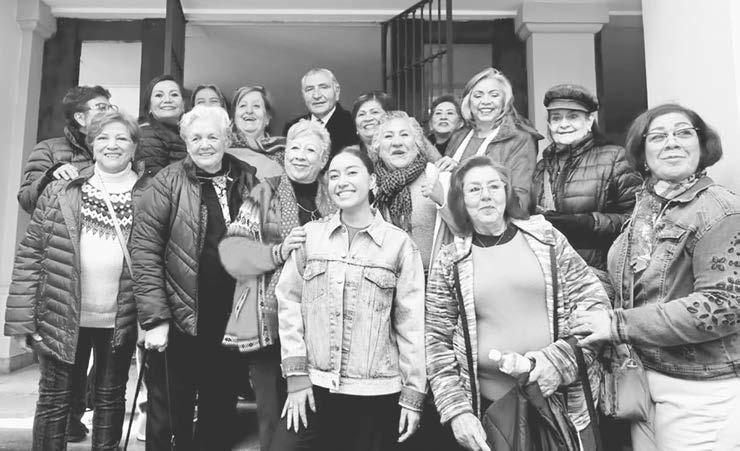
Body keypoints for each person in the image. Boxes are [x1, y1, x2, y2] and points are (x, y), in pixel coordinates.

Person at [571, 104, 740, 450]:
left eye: (683, 133)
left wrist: (616, 324)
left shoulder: (720, 210)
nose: (672, 142)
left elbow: (723, 306)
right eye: (658, 136)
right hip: (643, 380)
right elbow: (632, 285)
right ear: (643, 155)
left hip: (700, 390)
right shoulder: (649, 206)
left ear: (702, 146)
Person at [426, 157, 609, 451]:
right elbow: (437, 342)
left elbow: (594, 303)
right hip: (493, 412)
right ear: (460, 200)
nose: (486, 196)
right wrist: (457, 411)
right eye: (474, 189)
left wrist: (557, 363)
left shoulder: (546, 238)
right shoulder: (451, 260)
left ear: (507, 193)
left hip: (561, 400)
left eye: (494, 186)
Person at [5, 111, 146, 450]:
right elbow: (31, 254)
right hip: (60, 313)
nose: (112, 145)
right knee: (55, 398)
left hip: (121, 318)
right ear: (91, 145)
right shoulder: (61, 189)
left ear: (134, 146)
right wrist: (22, 322)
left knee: (110, 396)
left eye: (122, 138)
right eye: (103, 138)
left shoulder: (152, 193)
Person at [274, 146, 426, 450]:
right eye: (334, 176)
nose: (341, 181)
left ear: (372, 181)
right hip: (315, 384)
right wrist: (296, 375)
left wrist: (413, 395)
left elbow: (411, 325)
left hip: (376, 391)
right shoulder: (310, 236)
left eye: (352, 172)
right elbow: (288, 302)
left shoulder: (399, 245)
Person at [131, 105, 258, 451]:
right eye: (196, 138)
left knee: (220, 406)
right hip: (179, 317)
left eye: (213, 136)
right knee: (170, 412)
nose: (205, 144)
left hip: (230, 316)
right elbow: (144, 252)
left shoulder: (247, 178)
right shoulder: (166, 182)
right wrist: (155, 320)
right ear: (186, 141)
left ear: (227, 139)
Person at [219, 119, 336, 450]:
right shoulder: (263, 192)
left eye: (310, 150)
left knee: (318, 417)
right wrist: (278, 252)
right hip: (268, 323)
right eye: (294, 148)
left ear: (323, 160)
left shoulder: (335, 196)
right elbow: (232, 251)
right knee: (273, 419)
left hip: (322, 323)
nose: (299, 155)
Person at [531, 84, 642, 284]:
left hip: (596, 276)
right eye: (556, 118)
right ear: (549, 124)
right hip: (551, 275)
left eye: (573, 116)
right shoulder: (541, 167)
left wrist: (587, 222)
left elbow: (638, 220)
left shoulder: (615, 158)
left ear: (589, 121)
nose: (563, 124)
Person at [444, 68, 541, 211]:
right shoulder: (458, 137)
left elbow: (520, 204)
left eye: (494, 95)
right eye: (478, 96)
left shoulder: (520, 139)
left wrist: (460, 172)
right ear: (468, 102)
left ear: (504, 101)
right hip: (453, 220)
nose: (485, 101)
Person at [17, 85, 113, 215]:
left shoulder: (118, 150)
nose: (110, 113)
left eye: (111, 108)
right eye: (102, 108)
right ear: (80, 118)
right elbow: (26, 201)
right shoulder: (48, 149)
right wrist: (49, 177)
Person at [372, 111, 445, 271]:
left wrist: (443, 202)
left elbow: (463, 230)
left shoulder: (437, 176)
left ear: (417, 144)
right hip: (388, 280)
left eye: (404, 135)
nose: (397, 142)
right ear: (378, 148)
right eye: (388, 136)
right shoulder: (372, 186)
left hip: (432, 280)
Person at [283, 67, 358, 159]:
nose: (316, 95)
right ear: (303, 95)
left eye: (323, 87)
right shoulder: (292, 127)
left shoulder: (353, 125)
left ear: (337, 91)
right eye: (309, 89)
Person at [228, 85, 286, 179]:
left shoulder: (285, 153)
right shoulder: (221, 151)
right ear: (234, 116)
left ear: (267, 117)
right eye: (243, 105)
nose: (249, 111)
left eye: (256, 106)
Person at [134, 74, 187, 176]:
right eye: (159, 95)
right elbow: (152, 182)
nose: (167, 100)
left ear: (183, 104)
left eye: (174, 94)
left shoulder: (185, 133)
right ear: (149, 106)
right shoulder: (147, 136)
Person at [352, 90, 395, 154]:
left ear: (390, 117)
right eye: (361, 114)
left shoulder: (403, 150)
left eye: (375, 112)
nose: (368, 118)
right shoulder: (349, 156)